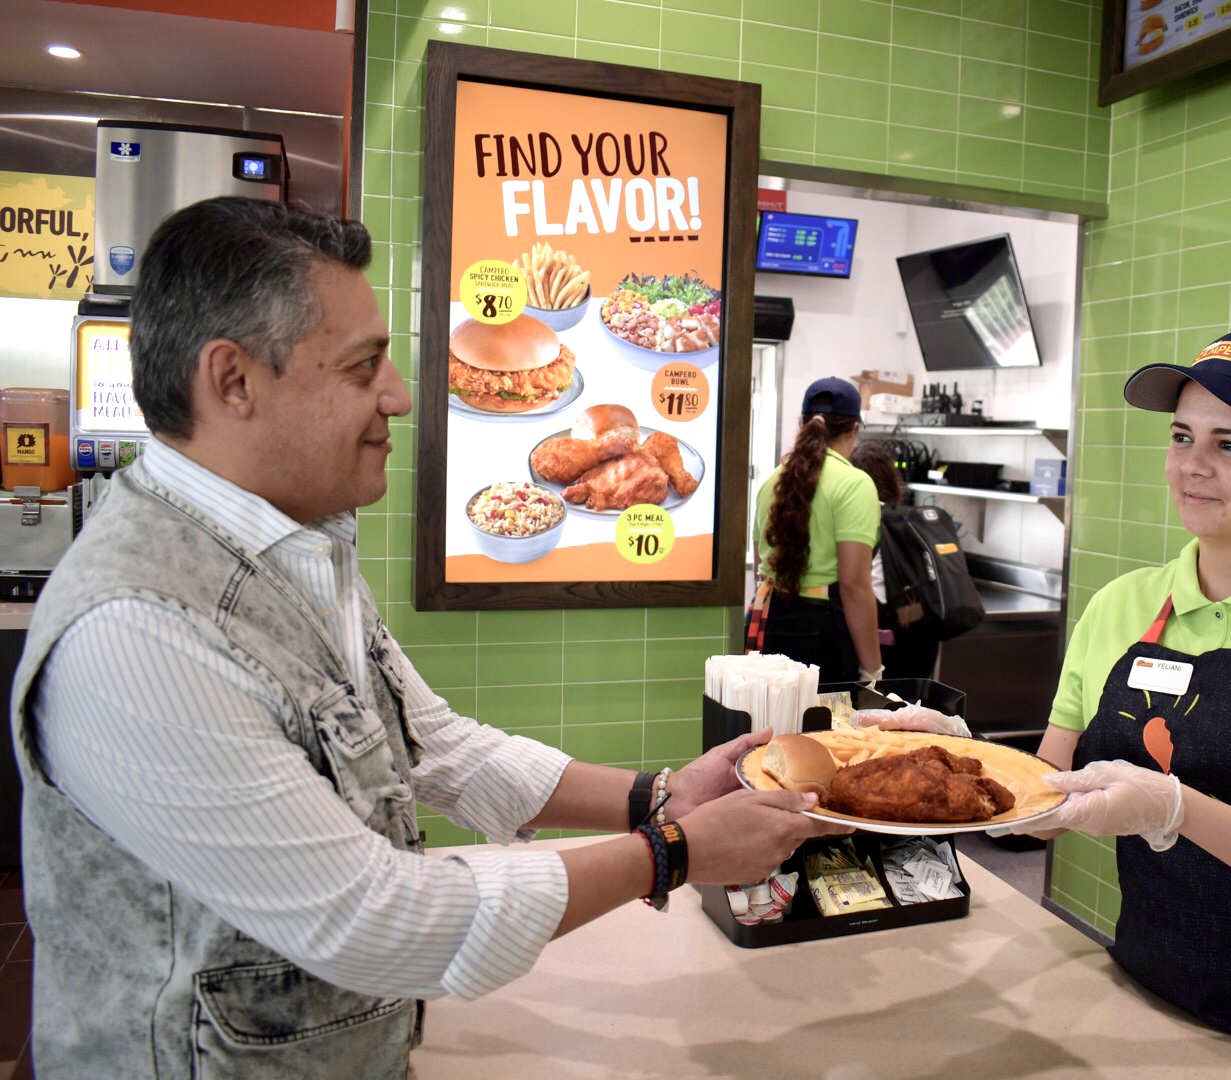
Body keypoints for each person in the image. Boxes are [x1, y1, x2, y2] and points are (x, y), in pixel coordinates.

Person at [7, 196, 848, 1078]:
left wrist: (659, 796)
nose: (400, 396)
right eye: (362, 367)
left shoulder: (292, 548)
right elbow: (371, 919)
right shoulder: (139, 631)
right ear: (233, 382)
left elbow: (431, 744)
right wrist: (671, 855)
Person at [860, 328, 1231, 1080]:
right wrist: (959, 753)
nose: (1192, 466)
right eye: (1183, 436)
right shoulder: (1124, 605)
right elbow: (1040, 799)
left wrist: (1175, 811)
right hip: (1143, 996)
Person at [749, 377, 882, 685]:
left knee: (777, 727)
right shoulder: (854, 484)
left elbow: (761, 565)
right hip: (824, 630)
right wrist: (873, 670)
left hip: (772, 619)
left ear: (803, 424)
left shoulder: (772, 482)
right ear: (855, 429)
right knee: (826, 730)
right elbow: (854, 585)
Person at [847, 440, 940, 680]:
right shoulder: (911, 520)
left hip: (882, 639)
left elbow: (857, 585)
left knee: (870, 714)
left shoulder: (863, 517)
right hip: (920, 639)